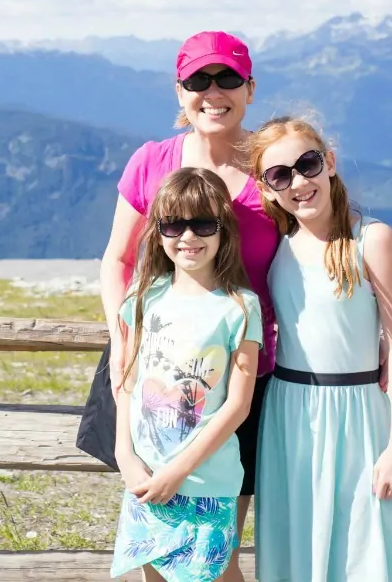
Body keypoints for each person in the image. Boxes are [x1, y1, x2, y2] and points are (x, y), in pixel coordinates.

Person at [76, 30, 280, 576]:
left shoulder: (275, 168)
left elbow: (321, 239)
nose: (213, 92)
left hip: (239, 368)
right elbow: (117, 260)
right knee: (156, 547)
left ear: (250, 88)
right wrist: (125, 342)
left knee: (216, 557)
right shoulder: (151, 162)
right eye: (198, 80)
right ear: (179, 91)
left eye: (228, 78)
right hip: (152, 363)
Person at [248, 115, 392, 582]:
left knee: (362, 551)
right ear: (266, 187)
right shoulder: (277, 246)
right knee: (292, 549)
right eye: (280, 175)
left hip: (359, 416)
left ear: (331, 163)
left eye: (308, 164)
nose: (299, 182)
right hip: (288, 415)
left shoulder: (372, 240)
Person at [109, 167, 262, 582]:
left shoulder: (240, 307)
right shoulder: (145, 295)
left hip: (206, 479)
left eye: (203, 224)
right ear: (158, 231)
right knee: (153, 574)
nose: (188, 237)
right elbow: (128, 380)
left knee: (216, 573)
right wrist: (126, 455)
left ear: (223, 230)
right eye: (174, 224)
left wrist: (178, 471)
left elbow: (237, 404)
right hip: (145, 472)